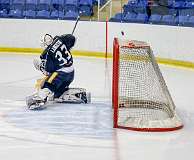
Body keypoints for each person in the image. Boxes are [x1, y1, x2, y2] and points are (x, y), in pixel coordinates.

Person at [28, 34, 76, 109]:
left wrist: (40, 67)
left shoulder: (46, 53)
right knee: (57, 92)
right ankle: (62, 92)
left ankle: (40, 99)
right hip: (71, 73)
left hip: (60, 75)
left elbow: (49, 70)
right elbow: (72, 38)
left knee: (47, 84)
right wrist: (68, 46)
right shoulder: (59, 39)